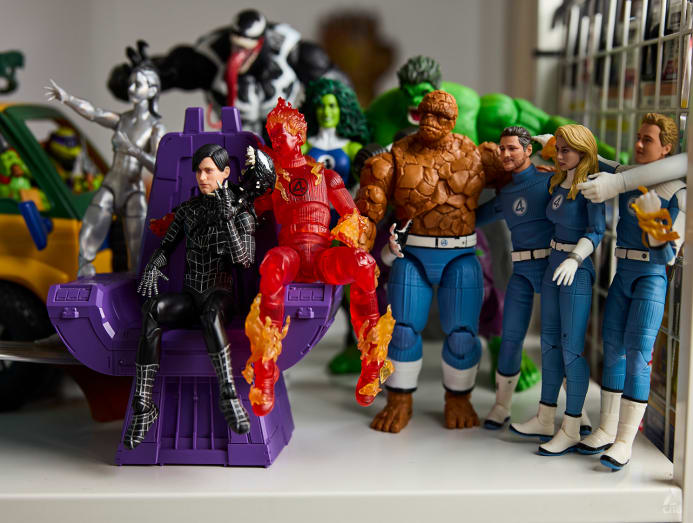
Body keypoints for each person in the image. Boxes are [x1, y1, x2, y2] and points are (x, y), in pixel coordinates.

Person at [356, 90, 508, 433]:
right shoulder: (396, 156)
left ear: (453, 121)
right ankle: (399, 400)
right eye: (425, 113)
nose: (430, 121)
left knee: (463, 333)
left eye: (440, 117)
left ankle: (459, 398)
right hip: (413, 255)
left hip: (460, 255)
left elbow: (518, 184)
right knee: (401, 330)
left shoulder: (475, 154)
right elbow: (367, 213)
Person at [242, 98, 393, 417]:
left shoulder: (326, 177)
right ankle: (266, 372)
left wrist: (353, 236)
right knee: (272, 265)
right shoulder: (274, 182)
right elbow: (250, 211)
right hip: (291, 256)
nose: (277, 141)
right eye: (273, 136)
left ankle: (371, 363)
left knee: (364, 265)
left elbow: (351, 215)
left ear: (299, 136)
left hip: (324, 255)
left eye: (282, 134)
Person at [123, 143, 276, 449]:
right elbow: (166, 247)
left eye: (208, 170)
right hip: (190, 294)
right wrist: (153, 265)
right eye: (198, 171)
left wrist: (227, 219)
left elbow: (244, 260)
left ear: (225, 172)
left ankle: (229, 395)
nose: (202, 177)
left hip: (220, 295)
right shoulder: (189, 210)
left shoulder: (241, 211)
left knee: (210, 315)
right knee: (152, 308)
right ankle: (143, 405)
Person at [577, 114, 686, 470]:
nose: (638, 144)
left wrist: (654, 226)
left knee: (639, 353)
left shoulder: (678, 193)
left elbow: (670, 254)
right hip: (622, 272)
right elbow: (596, 160)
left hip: (650, 277)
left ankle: (625, 439)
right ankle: (607, 428)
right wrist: (556, 143)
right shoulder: (626, 175)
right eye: (638, 137)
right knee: (612, 347)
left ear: (666, 148)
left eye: (647, 139)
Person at [509, 124, 605, 456]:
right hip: (553, 263)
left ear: (583, 151)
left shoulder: (591, 187)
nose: (560, 155)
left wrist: (576, 258)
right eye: (558, 149)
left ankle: (573, 425)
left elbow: (597, 231)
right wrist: (547, 146)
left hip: (575, 269)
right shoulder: (558, 181)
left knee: (571, 348)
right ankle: (545, 415)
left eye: (567, 150)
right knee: (549, 343)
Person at [107, 10, 344, 135]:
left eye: (245, 48)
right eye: (235, 46)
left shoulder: (291, 51)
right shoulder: (211, 58)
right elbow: (171, 71)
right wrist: (136, 77)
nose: (238, 54)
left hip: (287, 141)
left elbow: (340, 91)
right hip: (233, 142)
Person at [46, 42, 165, 278]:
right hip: (111, 183)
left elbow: (159, 167)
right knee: (91, 225)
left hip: (133, 189)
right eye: (131, 82)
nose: (131, 88)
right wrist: (67, 98)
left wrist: (133, 150)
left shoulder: (155, 127)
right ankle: (85, 271)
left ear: (152, 90)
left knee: (137, 245)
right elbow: (93, 113)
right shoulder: (122, 119)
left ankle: (137, 285)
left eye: (138, 84)